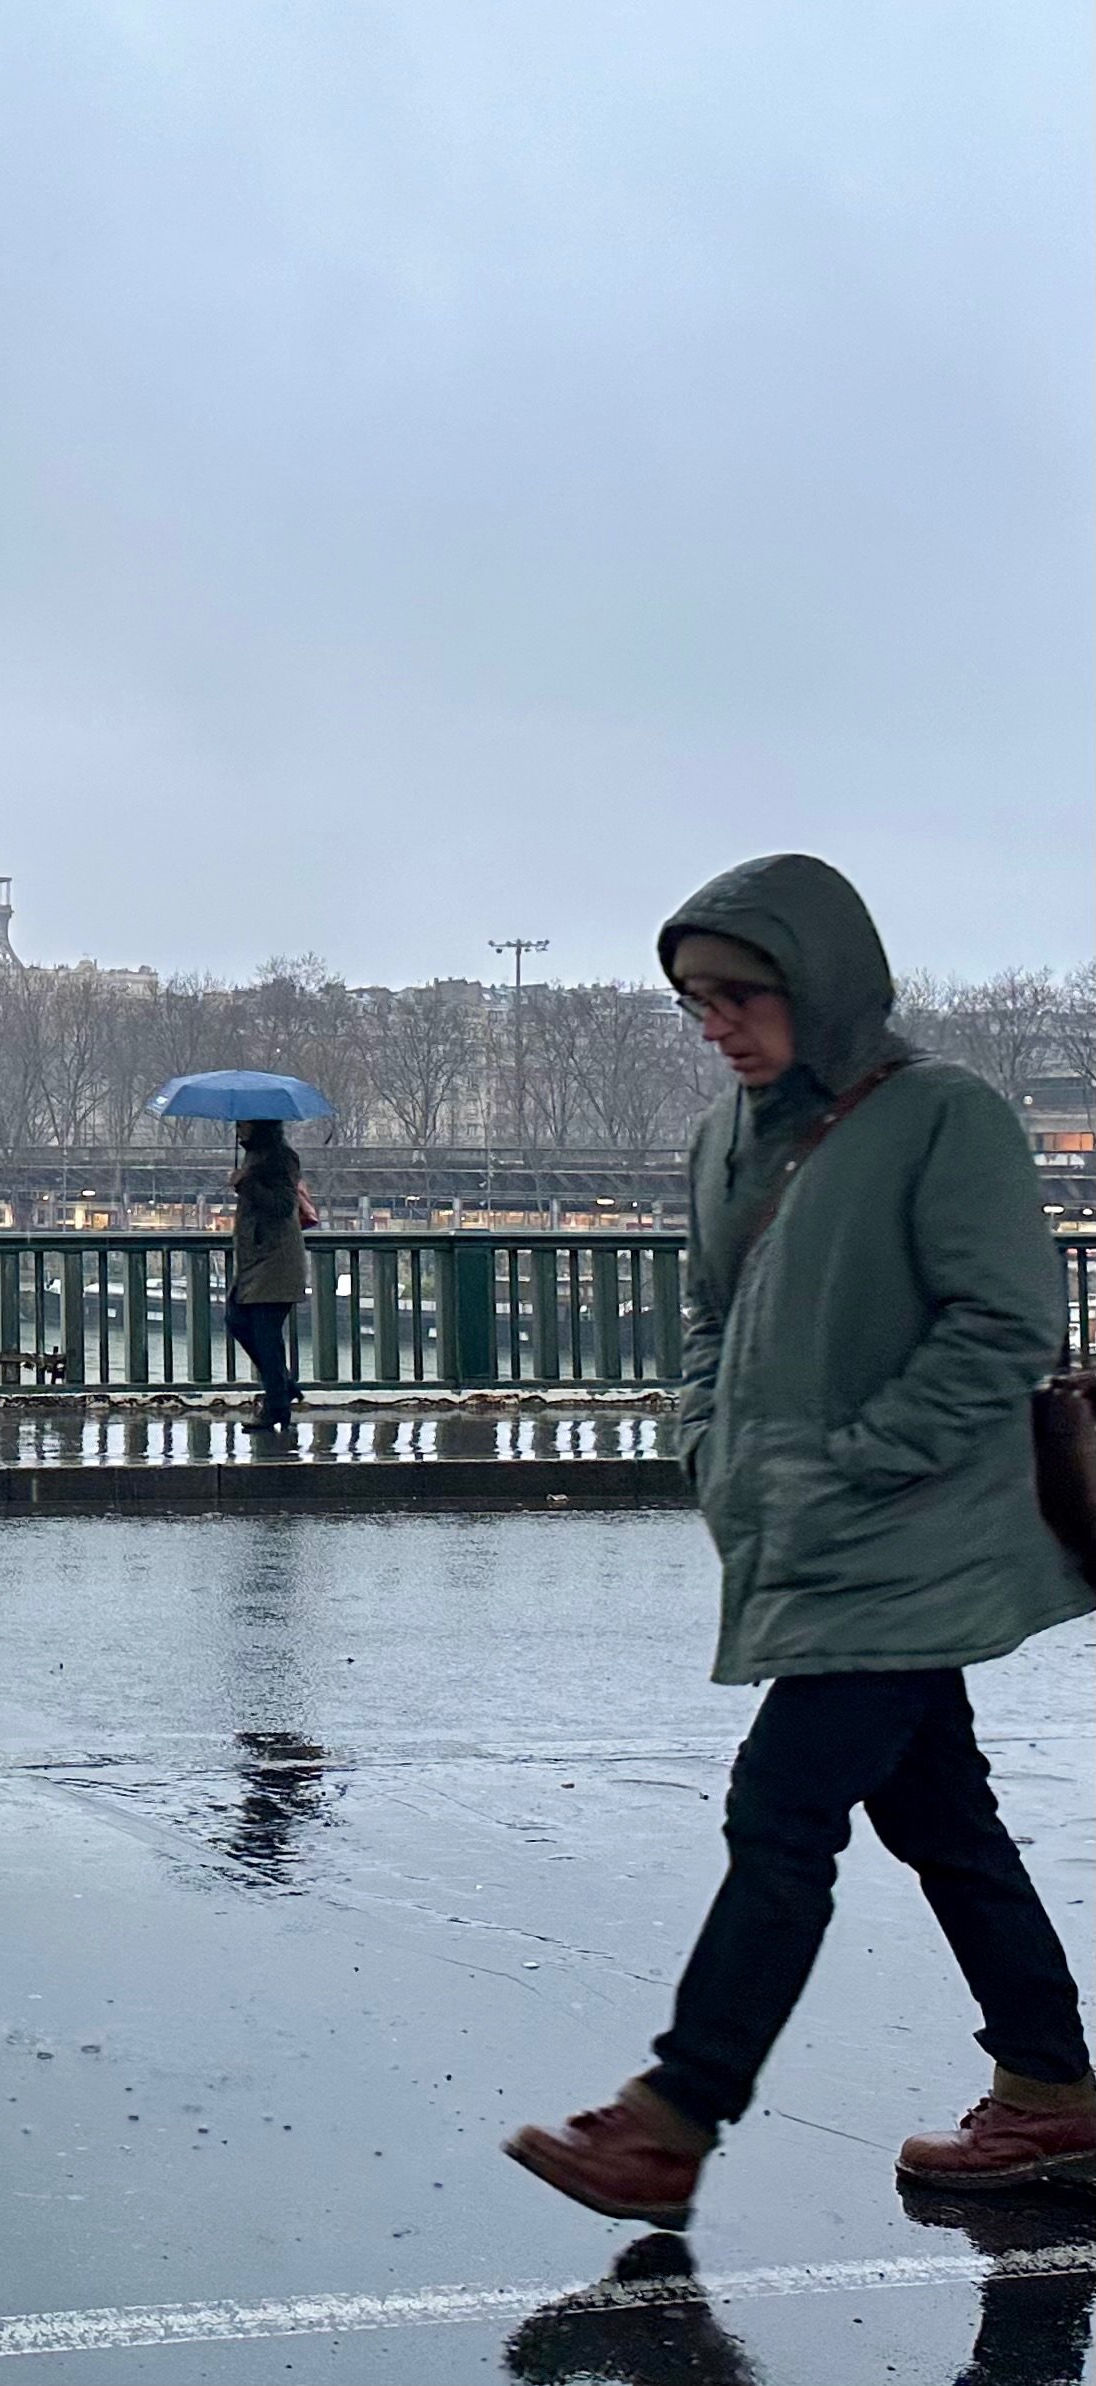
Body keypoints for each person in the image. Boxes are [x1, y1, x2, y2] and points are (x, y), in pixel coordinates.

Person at [506, 853, 1096, 2230]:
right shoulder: (727, 1137)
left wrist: (851, 1458)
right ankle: (1055, 2088)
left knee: (780, 1814)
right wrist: (710, 1443)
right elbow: (707, 1318)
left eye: (737, 991)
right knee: (943, 1817)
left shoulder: (946, 1117)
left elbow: (1006, 1325)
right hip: (809, 1541)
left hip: (912, 1546)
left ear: (819, 980)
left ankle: (674, 2115)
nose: (713, 1019)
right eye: (692, 998)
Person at [226, 1117, 307, 1431]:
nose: (238, 1129)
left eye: (244, 1124)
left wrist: (245, 1184)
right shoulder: (256, 1155)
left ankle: (277, 1405)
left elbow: (284, 1204)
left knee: (264, 1332)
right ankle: (282, 1387)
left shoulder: (281, 1156)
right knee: (239, 1321)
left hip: (275, 1261)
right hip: (257, 1260)